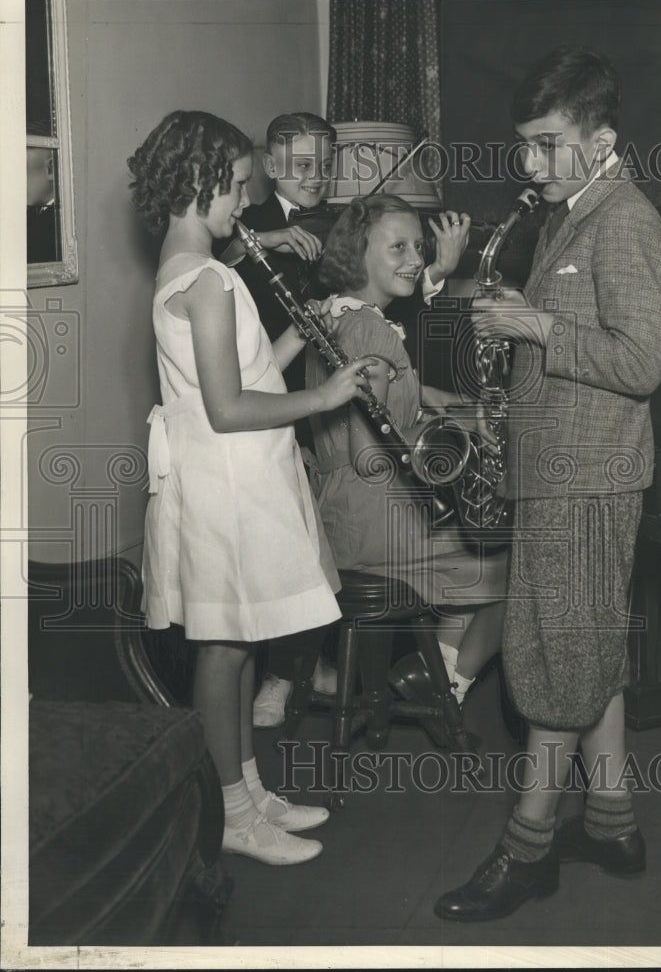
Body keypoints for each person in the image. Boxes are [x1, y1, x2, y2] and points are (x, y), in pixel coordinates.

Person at [433, 46, 661, 921]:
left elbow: (642, 363)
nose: (527, 164)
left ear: (600, 139)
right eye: (523, 146)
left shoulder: (623, 219)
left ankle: (526, 849)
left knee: (553, 661)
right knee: (589, 648)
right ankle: (612, 826)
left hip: (586, 479)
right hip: (561, 468)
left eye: (544, 144)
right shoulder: (571, 210)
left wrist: (531, 324)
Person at [128, 110, 372, 866]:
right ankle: (229, 810)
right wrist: (323, 399)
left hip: (236, 475)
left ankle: (250, 791)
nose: (244, 205)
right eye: (235, 188)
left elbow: (246, 367)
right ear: (198, 184)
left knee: (238, 644)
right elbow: (231, 407)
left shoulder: (201, 271)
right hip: (226, 480)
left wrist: (306, 329)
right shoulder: (203, 280)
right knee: (225, 648)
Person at [305, 192, 509, 714]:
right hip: (376, 514)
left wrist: (450, 406)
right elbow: (374, 447)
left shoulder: (340, 317)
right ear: (357, 252)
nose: (415, 259)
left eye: (418, 246)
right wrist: (460, 431)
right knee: (516, 566)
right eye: (397, 247)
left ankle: (431, 671)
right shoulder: (371, 330)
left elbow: (383, 404)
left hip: (341, 510)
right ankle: (445, 678)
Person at [215, 111, 339, 725]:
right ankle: (283, 672)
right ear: (269, 168)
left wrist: (434, 274)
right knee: (285, 542)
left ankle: (308, 660)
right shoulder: (243, 224)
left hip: (333, 393)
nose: (315, 177)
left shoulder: (341, 225)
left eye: (324, 165)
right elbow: (222, 260)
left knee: (330, 534)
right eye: (300, 166)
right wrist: (266, 244)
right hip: (274, 396)